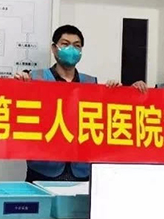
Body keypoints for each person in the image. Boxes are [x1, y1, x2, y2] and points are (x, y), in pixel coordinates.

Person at [16, 24, 144, 181]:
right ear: (54, 49)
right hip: (43, 168)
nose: (71, 49)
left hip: (81, 170)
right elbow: (15, 112)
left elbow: (112, 118)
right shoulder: (35, 78)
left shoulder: (91, 83)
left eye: (77, 46)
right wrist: (19, 85)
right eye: (65, 44)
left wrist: (131, 93)